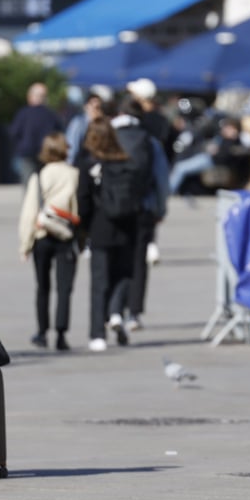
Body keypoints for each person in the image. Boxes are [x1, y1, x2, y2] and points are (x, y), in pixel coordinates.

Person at [76, 118, 138, 352]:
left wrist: (82, 230)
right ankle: (115, 312)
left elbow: (83, 202)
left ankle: (97, 334)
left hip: (100, 227)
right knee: (124, 274)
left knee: (99, 281)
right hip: (126, 225)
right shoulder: (126, 162)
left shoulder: (88, 165)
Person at [111, 98, 169, 333]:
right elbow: (162, 179)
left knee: (114, 260)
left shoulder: (109, 137)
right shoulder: (150, 141)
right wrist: (160, 209)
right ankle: (134, 313)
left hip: (112, 208)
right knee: (138, 262)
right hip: (143, 208)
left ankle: (113, 310)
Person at [19, 133, 80, 351]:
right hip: (66, 235)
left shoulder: (40, 174)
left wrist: (25, 244)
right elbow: (77, 207)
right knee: (65, 288)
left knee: (42, 286)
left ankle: (42, 332)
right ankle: (62, 334)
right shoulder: (74, 174)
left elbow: (29, 211)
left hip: (42, 234)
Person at [9, 82, 62, 188]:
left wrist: (20, 146)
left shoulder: (23, 113)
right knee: (44, 185)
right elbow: (59, 134)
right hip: (46, 153)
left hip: (27, 153)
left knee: (29, 186)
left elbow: (14, 132)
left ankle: (30, 204)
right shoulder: (51, 114)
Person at [65, 93, 103, 165]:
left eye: (99, 108)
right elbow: (72, 145)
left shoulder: (102, 124)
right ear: (86, 107)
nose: (98, 111)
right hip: (81, 164)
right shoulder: (79, 123)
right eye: (95, 107)